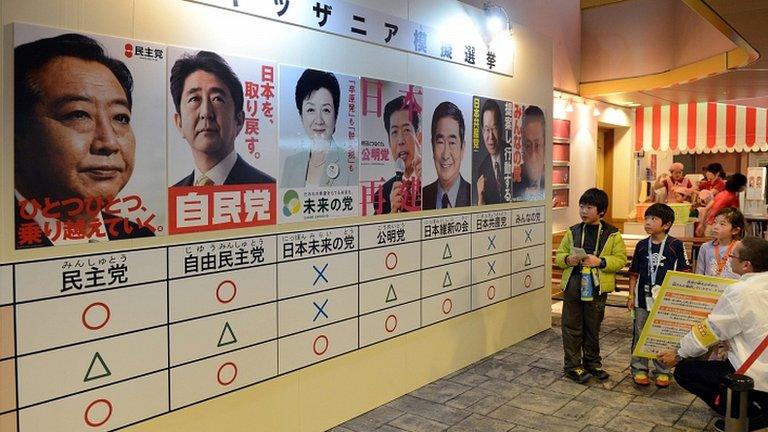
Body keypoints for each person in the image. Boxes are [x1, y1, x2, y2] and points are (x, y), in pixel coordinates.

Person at [14, 33, 155, 248]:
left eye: (120, 117)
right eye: (78, 114)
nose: (109, 143)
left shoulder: (140, 237)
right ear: (14, 134)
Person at [659, 236, 768, 432]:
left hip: (754, 375)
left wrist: (678, 353)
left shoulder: (740, 291)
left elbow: (710, 331)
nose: (729, 258)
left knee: (685, 371)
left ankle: (749, 412)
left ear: (746, 265)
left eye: (733, 255)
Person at [170, 50, 275, 187]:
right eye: (194, 99)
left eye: (217, 99)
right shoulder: (172, 193)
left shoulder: (267, 188)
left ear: (238, 120)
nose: (206, 112)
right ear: (179, 123)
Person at [555, 188, 627, 383]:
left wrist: (600, 261)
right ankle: (573, 366)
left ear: (601, 211)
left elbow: (620, 260)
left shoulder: (612, 234)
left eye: (589, 207)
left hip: (596, 285)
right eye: (581, 206)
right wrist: (568, 259)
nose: (583, 211)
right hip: (574, 284)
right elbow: (559, 256)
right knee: (571, 326)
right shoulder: (573, 231)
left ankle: (592, 364)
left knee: (592, 326)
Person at [627, 203, 691, 387]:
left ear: (666, 224)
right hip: (642, 298)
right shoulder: (641, 245)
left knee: (662, 334)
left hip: (665, 301)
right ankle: (639, 368)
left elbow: (684, 271)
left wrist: (679, 298)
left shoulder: (675, 245)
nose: (647, 222)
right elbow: (633, 273)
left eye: (653, 219)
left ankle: (662, 370)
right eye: (646, 218)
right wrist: (630, 296)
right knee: (640, 333)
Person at [281, 69, 356, 188]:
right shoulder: (290, 164)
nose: (319, 120)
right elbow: (284, 206)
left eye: (326, 110)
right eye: (311, 110)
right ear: (301, 116)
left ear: (335, 116)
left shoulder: (352, 165)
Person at [373, 95, 423, 214]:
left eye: (406, 130)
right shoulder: (382, 194)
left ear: (419, 138)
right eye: (394, 132)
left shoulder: (434, 186)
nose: (400, 140)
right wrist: (393, 213)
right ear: (389, 142)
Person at [423, 101, 470, 209]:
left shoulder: (474, 195)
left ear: (462, 148)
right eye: (440, 142)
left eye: (452, 143)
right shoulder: (422, 197)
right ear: (432, 146)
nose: (445, 155)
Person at [475, 99, 510, 204]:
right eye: (487, 130)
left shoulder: (512, 154)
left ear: (501, 129)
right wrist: (480, 197)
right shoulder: (482, 168)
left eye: (494, 128)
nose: (491, 137)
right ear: (482, 132)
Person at [696, 207, 744, 279]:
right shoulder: (705, 247)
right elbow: (699, 274)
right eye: (715, 222)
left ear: (735, 230)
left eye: (722, 224)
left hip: (732, 288)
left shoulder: (741, 248)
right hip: (709, 287)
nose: (715, 227)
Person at [513, 105, 545, 200]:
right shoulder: (512, 183)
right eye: (528, 146)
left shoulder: (550, 178)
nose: (533, 157)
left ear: (544, 145)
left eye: (537, 145)